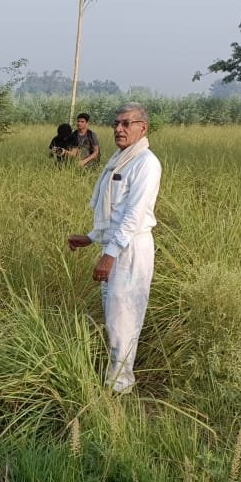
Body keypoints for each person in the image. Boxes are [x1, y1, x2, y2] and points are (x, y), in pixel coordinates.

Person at [67, 103, 161, 395]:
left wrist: (108, 256)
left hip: (130, 249)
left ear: (142, 128)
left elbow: (133, 216)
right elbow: (113, 213)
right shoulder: (120, 159)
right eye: (116, 124)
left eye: (126, 123)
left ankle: (119, 388)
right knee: (114, 318)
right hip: (115, 246)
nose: (119, 129)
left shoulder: (145, 163)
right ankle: (116, 379)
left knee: (124, 321)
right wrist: (92, 237)